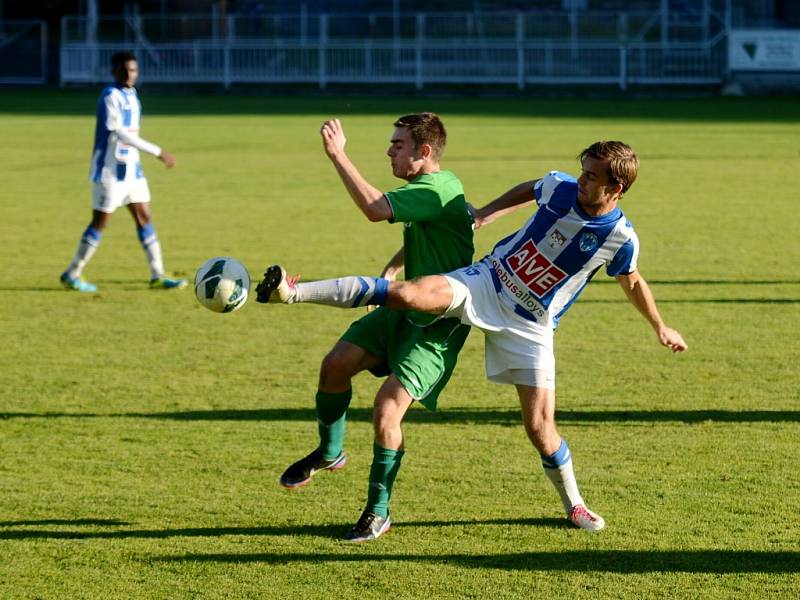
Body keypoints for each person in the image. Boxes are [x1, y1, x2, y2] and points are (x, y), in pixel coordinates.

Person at [257, 140, 688, 534]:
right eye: (584, 170)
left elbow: (632, 282)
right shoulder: (560, 188)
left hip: (529, 324)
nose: (582, 180)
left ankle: (574, 503)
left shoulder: (619, 238)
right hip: (488, 281)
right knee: (408, 293)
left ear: (618, 188)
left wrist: (660, 327)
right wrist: (488, 212)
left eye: (593, 177)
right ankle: (293, 293)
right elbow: (530, 187)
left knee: (540, 428)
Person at [260, 114, 475, 542]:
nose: (389, 150)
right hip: (400, 309)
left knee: (385, 411)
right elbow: (434, 227)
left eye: (398, 144)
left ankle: (378, 512)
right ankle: (329, 452)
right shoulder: (433, 191)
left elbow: (375, 209)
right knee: (335, 365)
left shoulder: (437, 187)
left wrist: (338, 154)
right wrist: (399, 260)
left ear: (424, 152)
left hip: (436, 326)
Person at [60, 50, 186, 292]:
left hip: (132, 173)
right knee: (100, 223)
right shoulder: (110, 96)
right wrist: (158, 151)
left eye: (134, 70)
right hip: (109, 172)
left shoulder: (132, 95)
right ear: (114, 70)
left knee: (145, 217)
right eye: (125, 70)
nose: (130, 74)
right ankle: (72, 273)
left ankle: (157, 275)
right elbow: (120, 133)